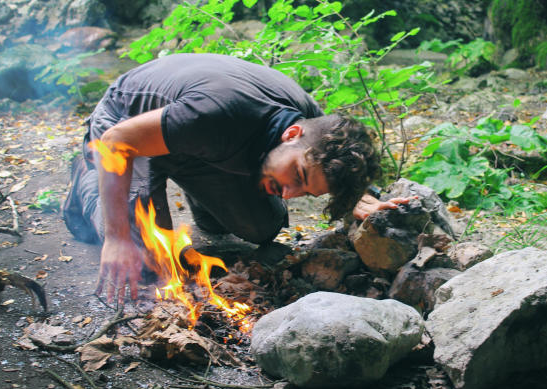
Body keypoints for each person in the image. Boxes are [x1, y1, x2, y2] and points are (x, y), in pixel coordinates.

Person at [63, 53, 406, 305]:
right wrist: (117, 236)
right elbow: (117, 142)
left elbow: (339, 156)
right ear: (291, 134)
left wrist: (360, 196)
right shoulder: (215, 114)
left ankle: (200, 195)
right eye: (298, 176)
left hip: (194, 142)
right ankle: (87, 183)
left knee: (262, 227)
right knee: (147, 260)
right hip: (127, 127)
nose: (289, 194)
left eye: (306, 192)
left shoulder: (314, 130)